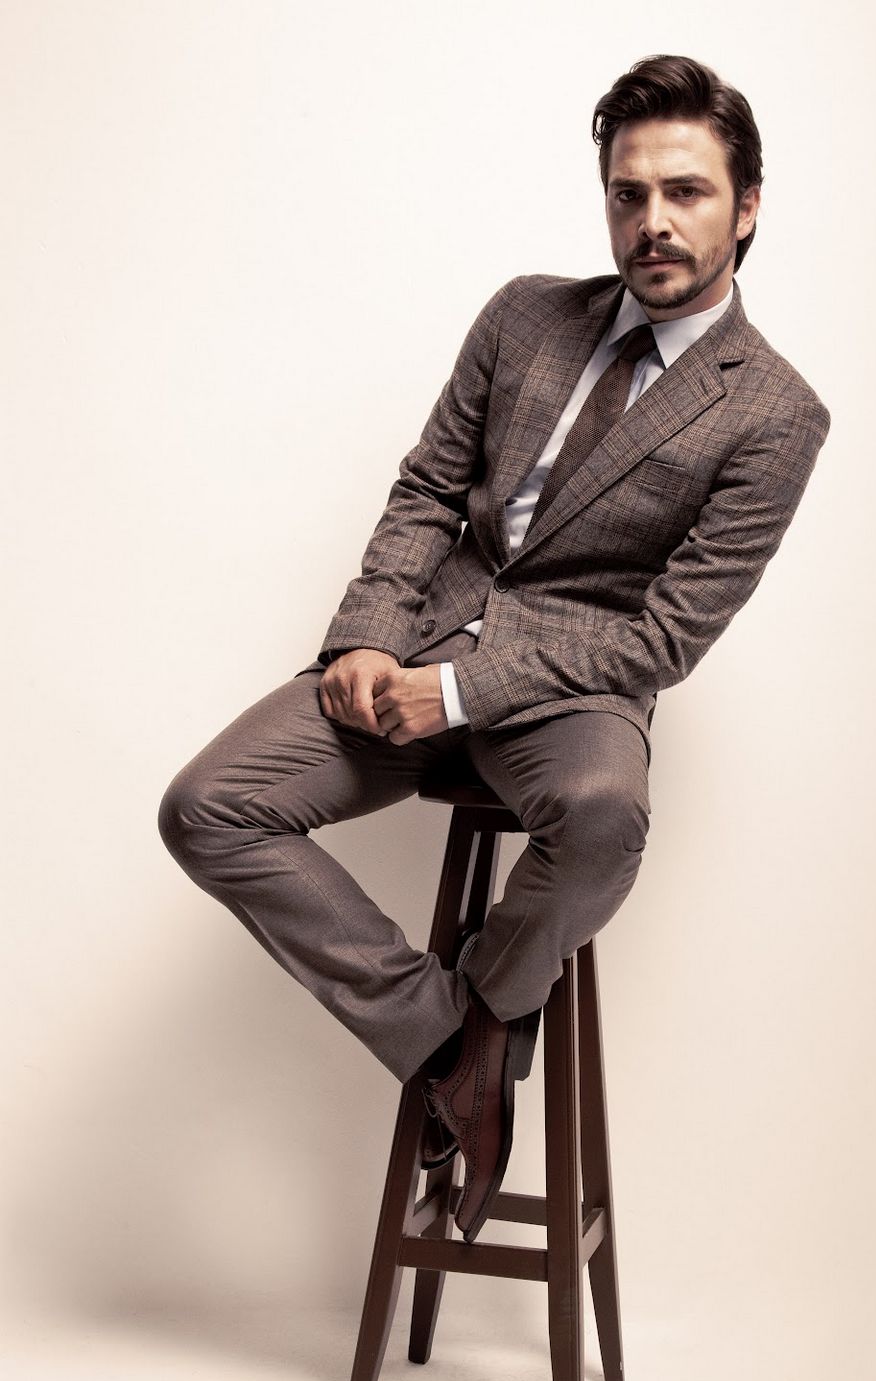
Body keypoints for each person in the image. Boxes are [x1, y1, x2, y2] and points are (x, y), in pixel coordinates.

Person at [158, 54, 831, 1244]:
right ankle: (449, 1041)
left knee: (603, 820)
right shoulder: (524, 314)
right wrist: (369, 638)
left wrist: (461, 693)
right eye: (628, 192)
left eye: (685, 191)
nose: (653, 219)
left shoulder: (775, 411)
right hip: (418, 633)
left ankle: (484, 1012)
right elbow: (427, 490)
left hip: (575, 685)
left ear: (747, 208)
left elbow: (665, 636)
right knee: (208, 807)